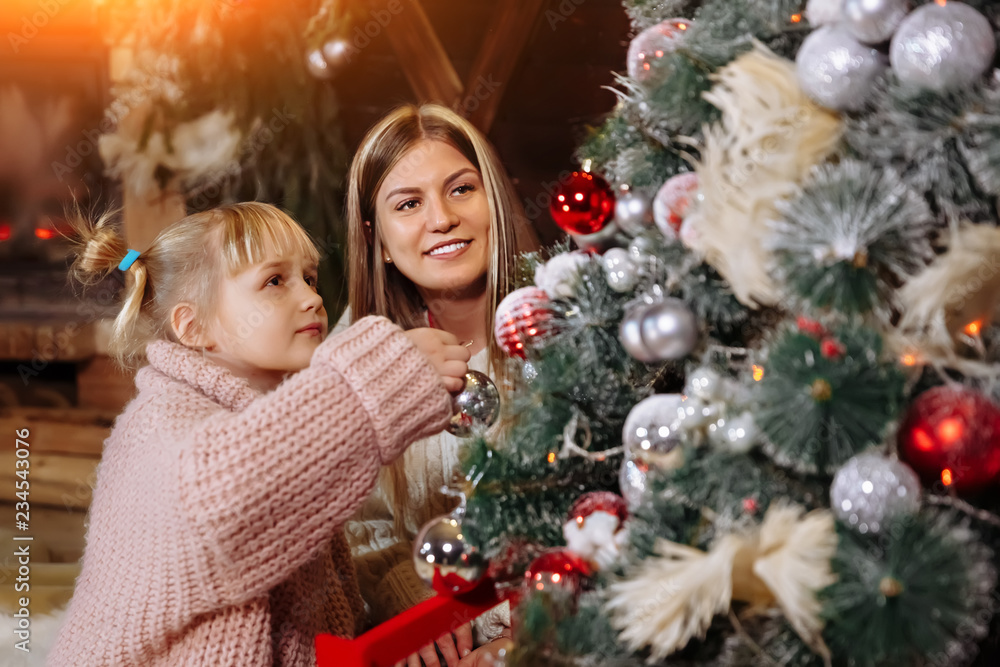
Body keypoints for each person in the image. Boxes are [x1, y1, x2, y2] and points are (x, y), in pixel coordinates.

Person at [48, 202, 470, 666]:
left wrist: (401, 610)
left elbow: (320, 596)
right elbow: (229, 500)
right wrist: (380, 378)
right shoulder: (159, 426)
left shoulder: (263, 415)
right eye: (274, 281)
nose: (311, 298)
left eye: (309, 278)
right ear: (194, 327)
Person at [339, 104, 539, 667]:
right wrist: (412, 598)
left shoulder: (570, 327)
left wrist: (525, 635)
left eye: (461, 190)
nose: (443, 219)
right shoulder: (357, 349)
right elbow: (352, 524)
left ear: (493, 201)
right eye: (409, 204)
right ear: (377, 239)